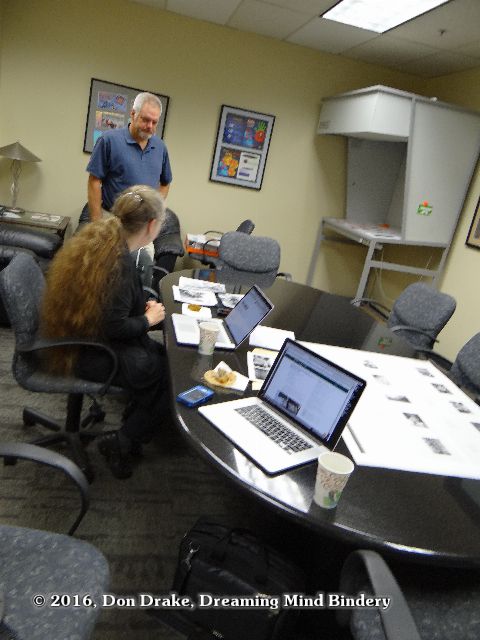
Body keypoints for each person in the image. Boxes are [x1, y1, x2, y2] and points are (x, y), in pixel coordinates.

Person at [41, 185, 168, 479]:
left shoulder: (105, 238)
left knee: (160, 356)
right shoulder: (119, 262)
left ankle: (133, 426)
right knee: (165, 372)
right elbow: (115, 325)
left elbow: (108, 306)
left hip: (74, 336)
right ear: (151, 225)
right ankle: (121, 443)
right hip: (88, 351)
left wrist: (141, 310)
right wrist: (148, 320)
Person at [78, 92, 172, 245]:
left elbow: (165, 182)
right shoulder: (108, 140)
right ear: (133, 114)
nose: (150, 127)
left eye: (154, 122)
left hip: (142, 227)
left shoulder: (160, 147)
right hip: (112, 220)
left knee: (141, 267)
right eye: (146, 120)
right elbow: (94, 181)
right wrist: (96, 223)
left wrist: (154, 207)